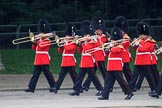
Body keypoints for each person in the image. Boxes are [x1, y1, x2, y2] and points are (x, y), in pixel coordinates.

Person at [98, 27, 134, 100]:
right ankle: (105, 95)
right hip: (110, 66)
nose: (112, 41)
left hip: (117, 66)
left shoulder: (120, 46)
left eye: (114, 40)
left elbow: (116, 51)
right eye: (112, 40)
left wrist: (110, 47)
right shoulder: (113, 46)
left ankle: (129, 92)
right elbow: (108, 54)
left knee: (121, 81)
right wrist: (107, 50)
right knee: (107, 81)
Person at [69, 20, 103, 96]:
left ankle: (100, 89)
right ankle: (76, 90)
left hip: (89, 62)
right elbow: (80, 51)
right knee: (79, 76)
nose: (84, 37)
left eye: (86, 36)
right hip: (83, 61)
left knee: (93, 77)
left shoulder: (92, 41)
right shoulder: (85, 42)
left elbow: (88, 49)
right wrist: (79, 45)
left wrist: (82, 43)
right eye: (84, 36)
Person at [24, 19, 56, 93]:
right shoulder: (39, 40)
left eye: (41, 33)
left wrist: (36, 40)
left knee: (48, 74)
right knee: (35, 74)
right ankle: (31, 87)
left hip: (44, 59)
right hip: (38, 59)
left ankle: (54, 86)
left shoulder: (47, 41)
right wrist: (34, 43)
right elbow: (34, 48)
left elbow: (41, 46)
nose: (40, 34)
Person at [81, 17, 107, 93]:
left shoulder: (103, 37)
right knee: (92, 73)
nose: (98, 31)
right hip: (94, 57)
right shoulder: (92, 36)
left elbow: (100, 45)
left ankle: (108, 85)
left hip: (100, 56)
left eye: (99, 29)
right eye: (96, 29)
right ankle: (86, 85)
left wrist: (95, 38)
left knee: (103, 72)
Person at [128, 22, 156, 93]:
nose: (141, 36)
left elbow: (144, 49)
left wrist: (138, 45)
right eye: (140, 35)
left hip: (145, 61)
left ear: (146, 35)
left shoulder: (150, 42)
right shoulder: (140, 41)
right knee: (135, 75)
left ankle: (154, 89)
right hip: (138, 61)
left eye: (142, 35)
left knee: (149, 76)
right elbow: (136, 49)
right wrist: (134, 44)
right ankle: (130, 88)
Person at [53, 23, 78, 94]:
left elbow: (69, 48)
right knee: (61, 76)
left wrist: (65, 43)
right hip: (64, 61)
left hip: (70, 61)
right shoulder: (66, 43)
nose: (66, 37)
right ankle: (56, 87)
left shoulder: (73, 42)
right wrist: (60, 46)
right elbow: (60, 51)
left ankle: (78, 87)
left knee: (74, 76)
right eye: (66, 36)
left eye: (67, 36)